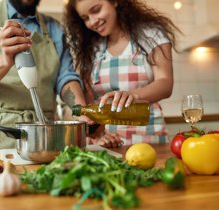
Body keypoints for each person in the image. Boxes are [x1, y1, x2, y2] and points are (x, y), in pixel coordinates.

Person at [0, 0, 88, 154]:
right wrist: (5, 60)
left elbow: (66, 79)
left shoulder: (55, 29)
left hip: (43, 142)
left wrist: (81, 111)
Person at [64, 0, 181, 146]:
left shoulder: (151, 34)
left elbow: (165, 83)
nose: (92, 21)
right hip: (110, 140)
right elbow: (89, 102)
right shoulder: (92, 48)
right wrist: (97, 134)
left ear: (114, 2)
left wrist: (132, 95)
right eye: (85, 18)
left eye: (96, 10)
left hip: (150, 137)